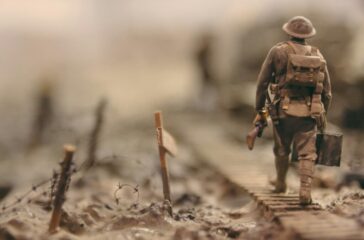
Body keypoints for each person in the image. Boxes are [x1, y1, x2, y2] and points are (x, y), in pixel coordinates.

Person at [254, 16, 332, 204]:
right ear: (309, 35)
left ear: (288, 32)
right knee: (308, 153)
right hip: (310, 112)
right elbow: (327, 93)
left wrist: (260, 111)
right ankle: (305, 191)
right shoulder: (318, 55)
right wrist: (322, 114)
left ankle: (281, 183)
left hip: (283, 111)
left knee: (281, 149)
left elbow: (262, 84)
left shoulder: (277, 51)